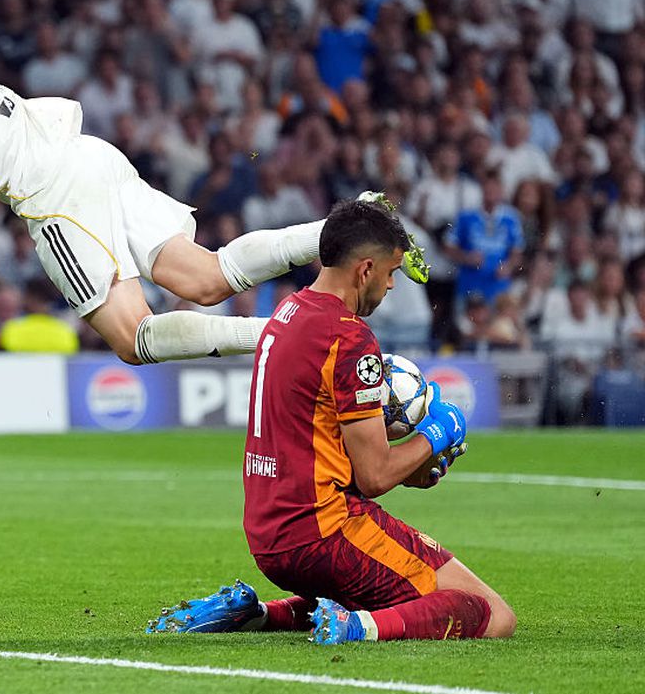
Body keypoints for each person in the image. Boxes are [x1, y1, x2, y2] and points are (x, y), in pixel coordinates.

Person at [0, 64, 428, 366]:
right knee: (205, 277)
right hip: (85, 154)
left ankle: (278, 338)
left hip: (54, 194)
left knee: (134, 340)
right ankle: (353, 219)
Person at [148, 201, 515, 643]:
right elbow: (374, 476)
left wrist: (415, 469)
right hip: (325, 533)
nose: (391, 284)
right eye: (390, 272)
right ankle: (356, 627)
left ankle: (256, 615)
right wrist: (439, 432)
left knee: (379, 587)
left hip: (270, 537)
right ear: (365, 269)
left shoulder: (287, 313)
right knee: (492, 614)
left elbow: (321, 447)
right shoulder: (348, 336)